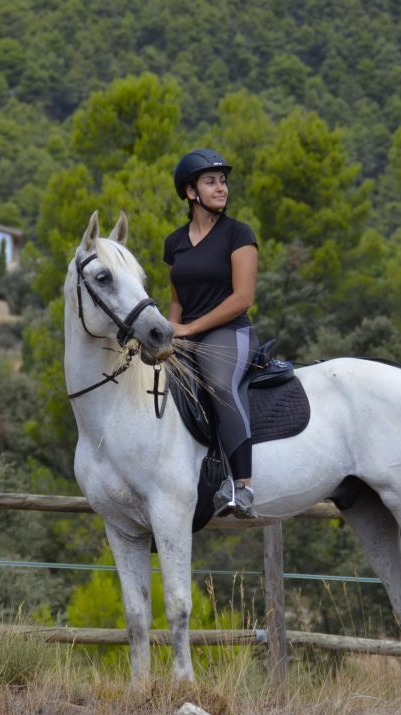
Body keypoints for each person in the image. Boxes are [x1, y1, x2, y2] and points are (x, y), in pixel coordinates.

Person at [164, 148, 260, 519]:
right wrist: (170, 334)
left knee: (220, 385)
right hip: (186, 335)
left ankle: (244, 487)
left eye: (223, 181)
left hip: (228, 332)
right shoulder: (174, 243)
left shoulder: (239, 233)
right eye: (211, 181)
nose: (221, 188)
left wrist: (188, 328)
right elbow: (177, 299)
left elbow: (243, 297)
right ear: (191, 193)